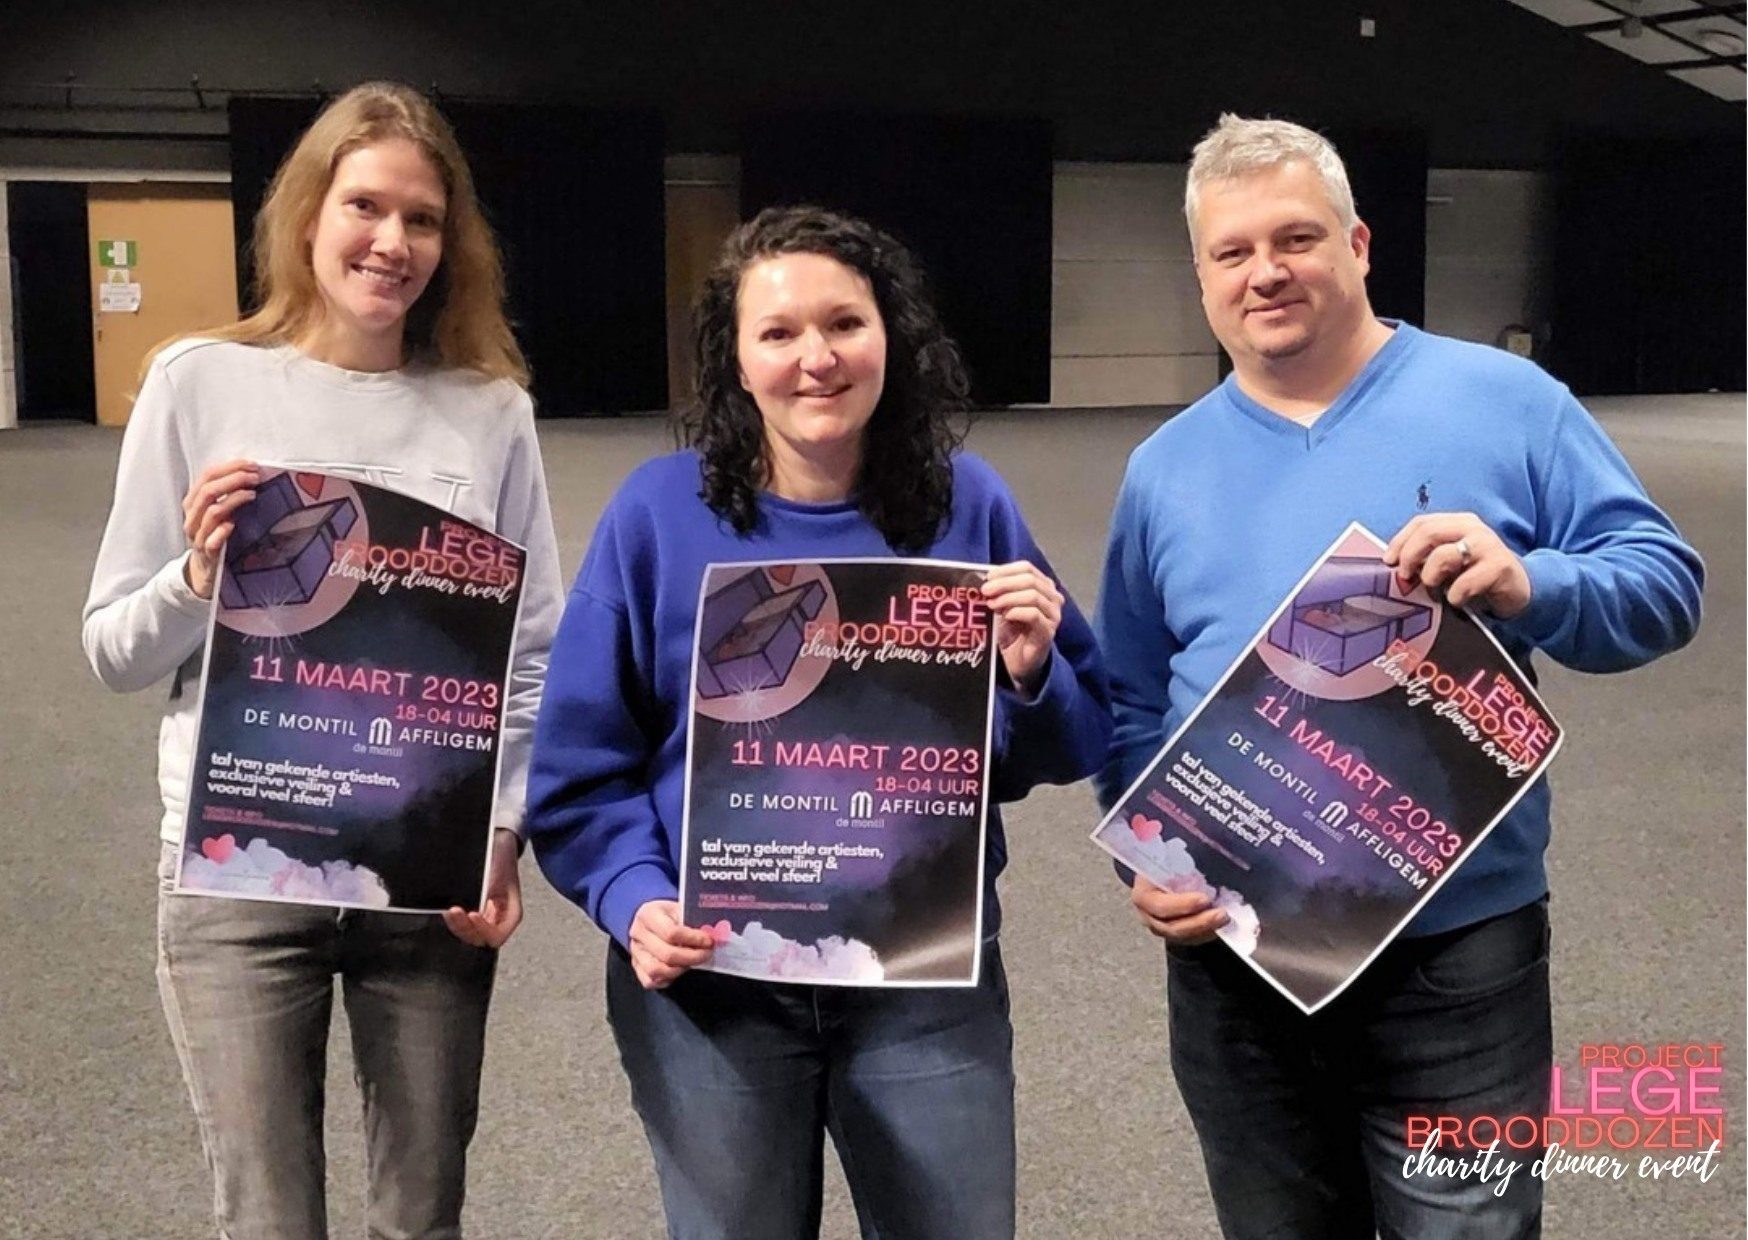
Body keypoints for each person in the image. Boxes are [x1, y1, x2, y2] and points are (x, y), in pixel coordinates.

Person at [1095, 114, 1703, 1239]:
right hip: (1240, 956)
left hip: (1456, 957)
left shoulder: (1508, 401)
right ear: (1201, 276)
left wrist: (1531, 584)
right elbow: (1130, 695)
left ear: (1358, 244)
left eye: (1296, 238)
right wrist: (1150, 844)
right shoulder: (1161, 468)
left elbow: (1663, 585)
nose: (1265, 273)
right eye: (1232, 252)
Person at [526, 204, 1111, 1239]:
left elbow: (1069, 740)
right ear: (735, 359)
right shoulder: (655, 515)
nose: (816, 358)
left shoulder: (967, 506)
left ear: (891, 334)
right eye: (778, 331)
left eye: (844, 323)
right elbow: (580, 764)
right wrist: (631, 896)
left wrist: (1029, 674)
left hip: (920, 973)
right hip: (716, 979)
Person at [81, 81, 562, 1239]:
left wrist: (500, 830)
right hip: (237, 870)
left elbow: (531, 648)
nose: (392, 242)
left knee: (421, 1216)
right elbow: (111, 652)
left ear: (450, 244)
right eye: (365, 206)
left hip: (424, 872)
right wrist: (197, 577)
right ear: (307, 213)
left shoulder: (489, 411)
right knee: (267, 1218)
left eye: (422, 219)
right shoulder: (198, 381)